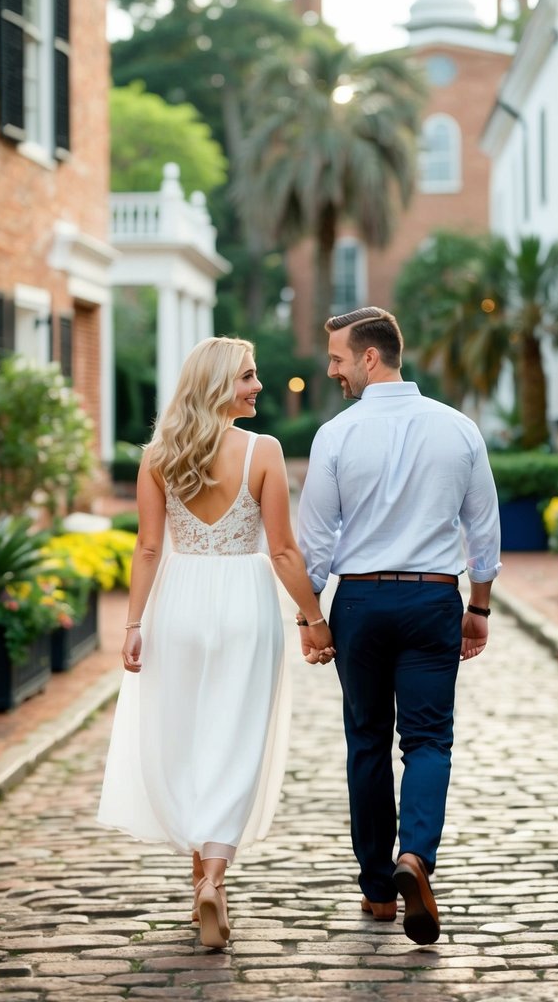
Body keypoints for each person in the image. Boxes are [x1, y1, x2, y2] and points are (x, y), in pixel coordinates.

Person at [97, 336, 334, 949]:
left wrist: (133, 625)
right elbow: (282, 550)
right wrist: (313, 618)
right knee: (234, 737)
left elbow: (148, 548)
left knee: (189, 735)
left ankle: (200, 880)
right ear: (219, 385)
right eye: (248, 377)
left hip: (177, 601)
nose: (258, 387)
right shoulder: (263, 451)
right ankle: (216, 879)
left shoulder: (159, 454)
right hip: (243, 603)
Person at [296, 307, 499, 946]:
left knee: (366, 741)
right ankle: (417, 856)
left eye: (337, 359)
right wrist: (480, 606)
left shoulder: (335, 434)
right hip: (433, 599)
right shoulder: (458, 428)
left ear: (370, 357)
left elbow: (315, 540)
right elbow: (483, 527)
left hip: (358, 603)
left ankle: (379, 892)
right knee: (429, 740)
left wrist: (313, 616)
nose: (332, 371)